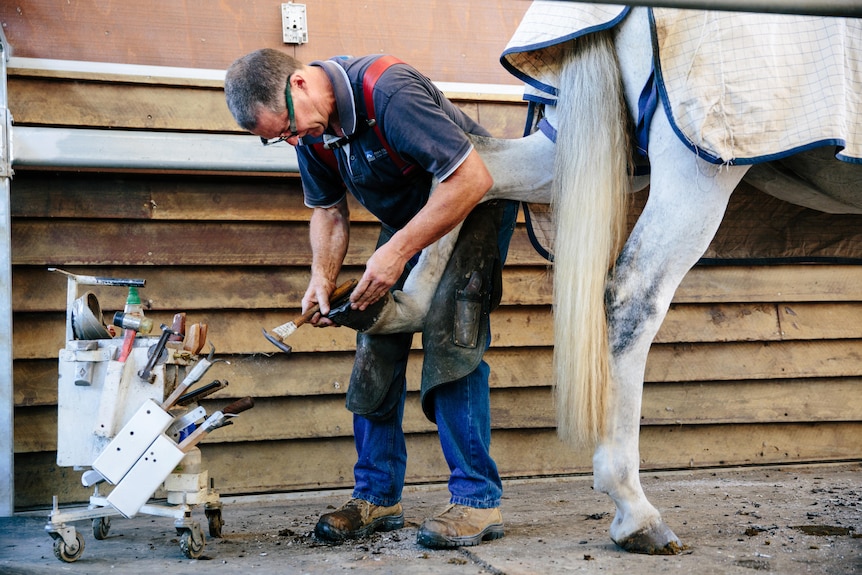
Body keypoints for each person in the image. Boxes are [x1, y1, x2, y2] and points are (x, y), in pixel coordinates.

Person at [224, 49, 517, 549]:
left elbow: (472, 178)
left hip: (470, 206)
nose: (294, 141)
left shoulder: (388, 91)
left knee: (452, 339)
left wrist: (398, 250)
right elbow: (329, 211)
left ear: (299, 84)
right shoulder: (312, 130)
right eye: (281, 139)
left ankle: (476, 501)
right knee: (373, 338)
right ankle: (377, 497)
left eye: (289, 130)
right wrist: (322, 276)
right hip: (411, 220)